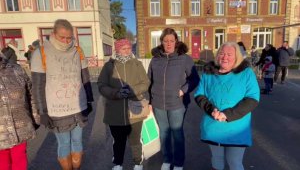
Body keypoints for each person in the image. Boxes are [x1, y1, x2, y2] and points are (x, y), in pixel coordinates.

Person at [31, 19, 94, 170]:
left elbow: (85, 77)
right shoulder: (41, 52)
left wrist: (89, 100)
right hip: (57, 110)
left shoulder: (77, 50)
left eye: (69, 37)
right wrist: (42, 111)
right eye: (62, 37)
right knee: (64, 143)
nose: (66, 41)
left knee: (78, 141)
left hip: (78, 106)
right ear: (53, 34)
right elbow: (38, 85)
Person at [194, 42, 260, 170]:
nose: (225, 57)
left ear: (236, 58)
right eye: (222, 53)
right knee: (217, 159)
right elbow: (199, 94)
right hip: (214, 126)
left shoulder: (246, 73)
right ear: (217, 55)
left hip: (237, 128)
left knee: (234, 161)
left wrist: (227, 114)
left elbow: (253, 98)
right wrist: (211, 110)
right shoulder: (209, 73)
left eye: (229, 54)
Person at [148, 28, 200, 170]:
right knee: (164, 132)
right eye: (166, 41)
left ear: (176, 41)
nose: (169, 44)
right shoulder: (155, 60)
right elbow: (149, 81)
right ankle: (167, 159)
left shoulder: (184, 58)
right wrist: (149, 101)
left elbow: (195, 79)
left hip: (177, 103)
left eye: (172, 41)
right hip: (158, 103)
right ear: (162, 42)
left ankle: (178, 163)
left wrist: (183, 90)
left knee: (177, 133)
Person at [98, 38, 150, 170]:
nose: (127, 51)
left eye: (129, 48)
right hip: (115, 111)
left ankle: (138, 162)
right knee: (118, 141)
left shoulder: (137, 64)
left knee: (135, 140)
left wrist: (132, 91)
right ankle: (118, 163)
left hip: (135, 110)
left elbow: (145, 83)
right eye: (124, 48)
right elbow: (101, 85)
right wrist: (116, 93)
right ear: (117, 50)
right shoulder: (109, 66)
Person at [0, 51, 39, 170]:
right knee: (3, 162)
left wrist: (35, 118)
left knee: (20, 159)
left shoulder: (16, 70)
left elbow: (30, 94)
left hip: (20, 126)